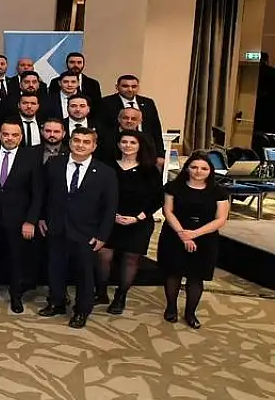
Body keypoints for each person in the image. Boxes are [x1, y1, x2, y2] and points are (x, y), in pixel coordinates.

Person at [38, 127, 118, 329]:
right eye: (77, 140)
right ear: (70, 142)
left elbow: (110, 207)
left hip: (86, 232)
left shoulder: (105, 173)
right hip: (56, 227)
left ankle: (82, 310)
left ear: (94, 146)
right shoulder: (54, 164)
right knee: (55, 268)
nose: (80, 145)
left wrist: (102, 235)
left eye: (86, 142)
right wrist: (41, 218)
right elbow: (44, 194)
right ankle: (57, 302)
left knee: (84, 274)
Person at [0, 120, 43, 314]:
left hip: (19, 219)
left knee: (16, 258)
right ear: (0, 135)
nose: (10, 138)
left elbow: (38, 193)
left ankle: (16, 295)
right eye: (6, 134)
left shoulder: (31, 158)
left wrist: (30, 221)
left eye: (14, 135)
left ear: (21, 137)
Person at [158, 152, 230, 329]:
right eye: (194, 167)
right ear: (187, 168)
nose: (198, 171)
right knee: (173, 273)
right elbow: (168, 212)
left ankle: (190, 313)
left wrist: (194, 234)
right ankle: (171, 308)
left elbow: (221, 219)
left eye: (204, 168)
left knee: (196, 277)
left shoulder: (219, 192)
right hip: (174, 234)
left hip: (205, 237)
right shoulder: (173, 187)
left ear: (210, 171)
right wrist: (183, 234)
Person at [97, 130, 162, 314]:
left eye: (133, 142)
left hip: (138, 222)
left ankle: (121, 296)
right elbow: (98, 194)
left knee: (130, 259)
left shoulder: (149, 169)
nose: (128, 145)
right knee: (103, 256)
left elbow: (158, 198)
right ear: (118, 144)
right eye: (124, 142)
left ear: (140, 146)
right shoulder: (107, 166)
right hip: (109, 220)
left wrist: (137, 217)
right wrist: (110, 215)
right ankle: (101, 292)